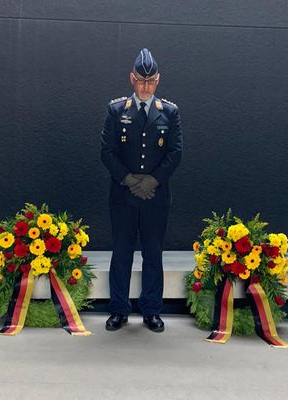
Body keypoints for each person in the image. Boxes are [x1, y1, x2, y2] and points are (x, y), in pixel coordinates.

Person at [100, 48, 183, 332]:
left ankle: (151, 310)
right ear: (132, 79)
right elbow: (107, 152)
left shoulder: (169, 112)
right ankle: (119, 310)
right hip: (123, 196)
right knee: (122, 252)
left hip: (156, 197)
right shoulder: (116, 110)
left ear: (157, 80)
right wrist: (131, 181)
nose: (145, 87)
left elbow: (175, 153)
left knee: (152, 253)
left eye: (150, 82)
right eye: (140, 81)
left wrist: (152, 181)